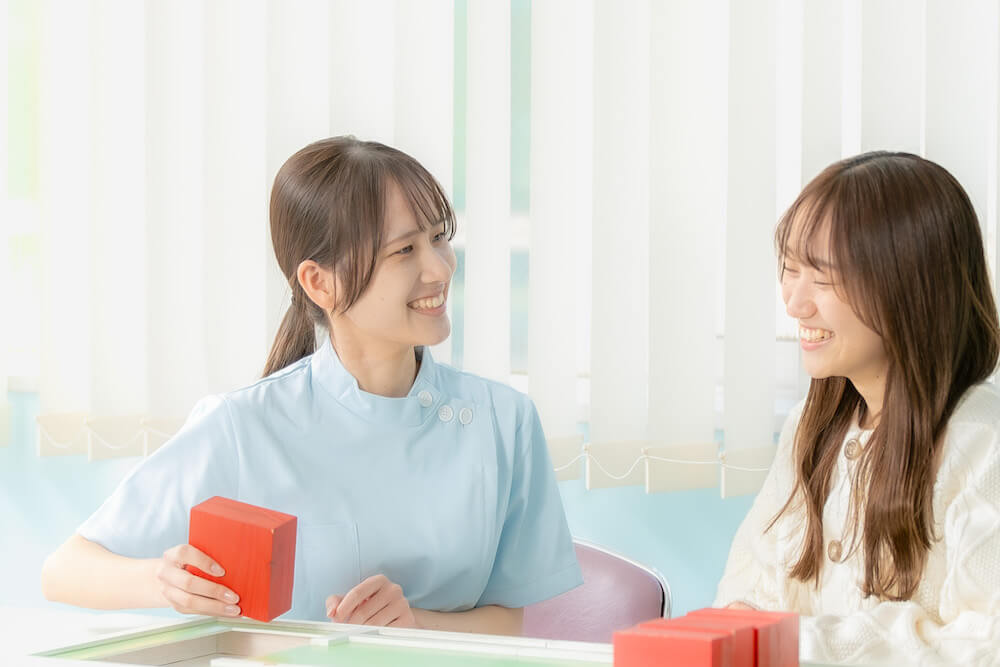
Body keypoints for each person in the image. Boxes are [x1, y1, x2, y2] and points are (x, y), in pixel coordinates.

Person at [41, 136, 582, 634]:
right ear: (320, 282)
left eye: (439, 238)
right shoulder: (244, 426)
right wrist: (166, 583)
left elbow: (509, 624)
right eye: (405, 251)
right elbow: (65, 570)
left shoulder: (503, 421)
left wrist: (414, 624)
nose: (440, 269)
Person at [715, 151, 1000, 665]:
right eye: (790, 269)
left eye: (823, 279)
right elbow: (746, 594)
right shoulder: (812, 427)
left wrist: (800, 641)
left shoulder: (983, 444)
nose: (794, 303)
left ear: (909, 286)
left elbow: (985, 644)